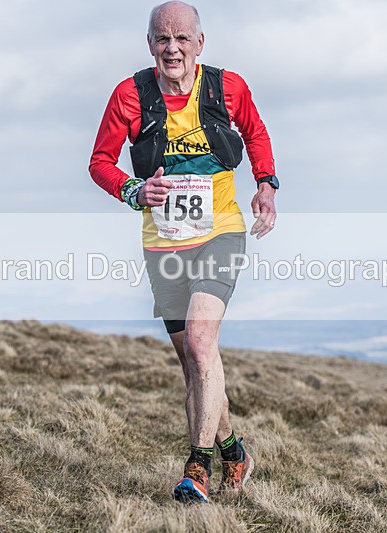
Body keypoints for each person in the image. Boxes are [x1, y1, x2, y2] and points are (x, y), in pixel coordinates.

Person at [88, 1, 279, 503]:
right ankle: (234, 451)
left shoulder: (227, 88)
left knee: (199, 339)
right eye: (162, 38)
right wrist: (134, 190)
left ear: (200, 42)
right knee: (194, 360)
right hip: (163, 242)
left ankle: (198, 468)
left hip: (221, 232)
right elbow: (100, 162)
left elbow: (255, 133)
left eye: (181, 38)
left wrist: (265, 184)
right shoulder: (129, 95)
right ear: (150, 43)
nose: (172, 48)